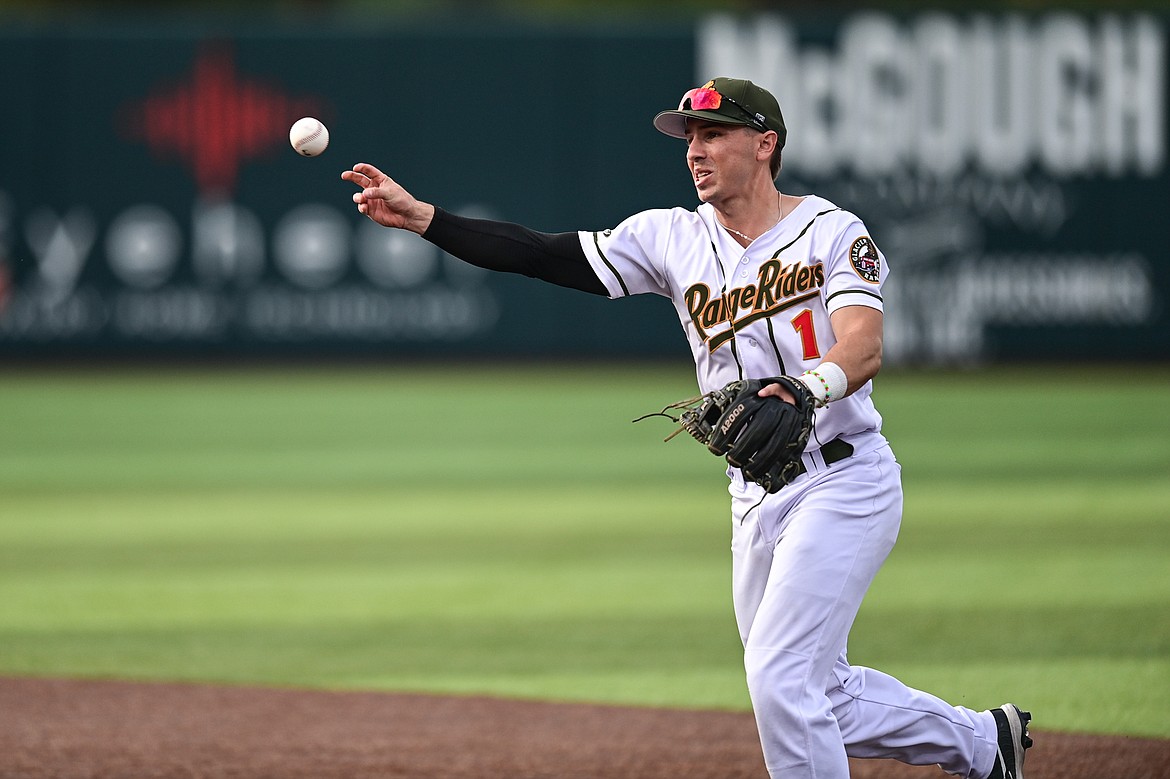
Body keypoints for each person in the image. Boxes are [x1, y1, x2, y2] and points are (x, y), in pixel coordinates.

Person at [342, 77, 1033, 779]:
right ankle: (983, 743)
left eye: (712, 135)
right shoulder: (671, 237)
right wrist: (426, 217)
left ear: (765, 145)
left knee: (779, 678)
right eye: (689, 139)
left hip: (846, 478)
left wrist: (803, 387)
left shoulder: (832, 230)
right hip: (756, 494)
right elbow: (541, 253)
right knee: (812, 692)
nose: (694, 152)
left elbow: (863, 345)